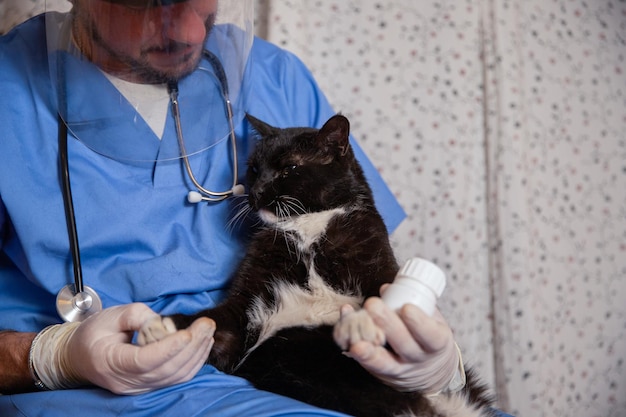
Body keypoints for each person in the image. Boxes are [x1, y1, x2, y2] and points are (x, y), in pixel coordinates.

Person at [0, 1, 493, 416]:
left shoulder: (275, 75)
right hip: (113, 400)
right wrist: (48, 358)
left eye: (202, 2)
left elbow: (361, 257)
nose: (193, 30)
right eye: (154, 5)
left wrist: (435, 360)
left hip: (313, 376)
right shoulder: (10, 93)